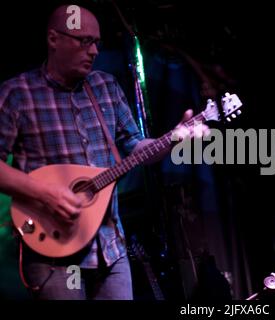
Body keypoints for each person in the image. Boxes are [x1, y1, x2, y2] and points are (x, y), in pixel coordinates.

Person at [0, 5, 207, 300]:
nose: (94, 51)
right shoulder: (17, 93)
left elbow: (136, 148)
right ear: (53, 39)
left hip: (111, 249)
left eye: (97, 42)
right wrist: (47, 194)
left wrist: (175, 139)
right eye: (84, 41)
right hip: (54, 256)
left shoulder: (105, 87)